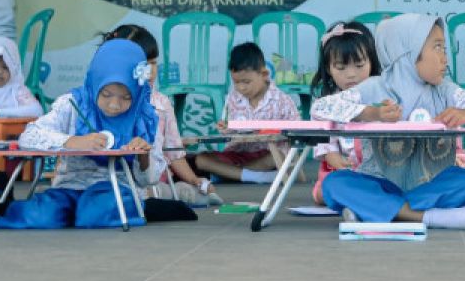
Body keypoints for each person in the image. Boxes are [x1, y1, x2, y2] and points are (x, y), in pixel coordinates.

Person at [312, 13, 465, 230]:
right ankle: (428, 217)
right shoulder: (374, 87)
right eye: (437, 48)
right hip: (380, 184)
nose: (445, 58)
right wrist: (372, 113)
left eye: (444, 49)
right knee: (334, 184)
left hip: (427, 186)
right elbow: (320, 108)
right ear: (407, 52)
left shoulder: (445, 91)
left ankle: (375, 211)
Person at [0, 39, 162, 229]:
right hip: (69, 187)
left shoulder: (145, 115)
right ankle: (66, 212)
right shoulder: (73, 104)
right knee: (41, 216)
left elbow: (149, 180)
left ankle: (80, 213)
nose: (114, 104)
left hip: (114, 189)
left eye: (126, 97)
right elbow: (28, 136)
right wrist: (72, 141)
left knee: (95, 212)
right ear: (94, 81)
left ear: (137, 92)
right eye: (106, 94)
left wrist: (144, 155)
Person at [101, 23, 220, 206]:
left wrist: (195, 180)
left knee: (181, 193)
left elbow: (174, 153)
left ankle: (182, 193)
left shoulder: (161, 104)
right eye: (143, 64)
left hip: (153, 182)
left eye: (154, 63)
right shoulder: (104, 101)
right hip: (110, 181)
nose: (150, 71)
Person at [189, 42, 300, 184]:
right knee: (201, 159)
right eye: (236, 82)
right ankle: (253, 176)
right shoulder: (233, 98)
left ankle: (230, 174)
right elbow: (231, 134)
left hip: (268, 154)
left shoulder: (282, 100)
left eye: (246, 82)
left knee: (276, 156)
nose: (241, 87)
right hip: (239, 154)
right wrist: (226, 129)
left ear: (264, 74)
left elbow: (297, 132)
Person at [309, 21, 380, 204]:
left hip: (378, 169)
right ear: (328, 68)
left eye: (359, 65)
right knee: (322, 193)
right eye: (341, 67)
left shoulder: (381, 97)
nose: (351, 74)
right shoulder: (325, 104)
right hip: (341, 168)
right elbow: (321, 137)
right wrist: (331, 156)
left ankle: (355, 199)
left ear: (372, 62)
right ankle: (357, 198)